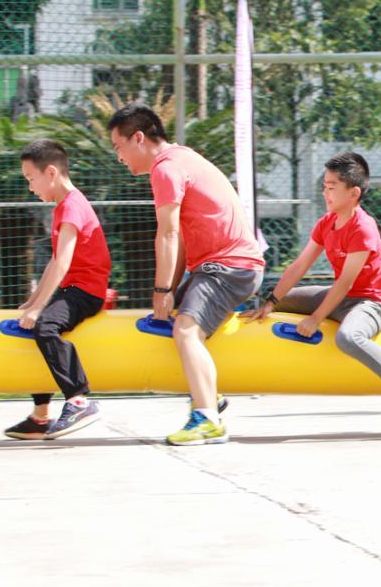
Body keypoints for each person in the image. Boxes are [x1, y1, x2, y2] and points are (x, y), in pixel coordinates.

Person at [108, 105, 264, 446]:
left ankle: (207, 419)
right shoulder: (181, 158)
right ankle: (210, 396)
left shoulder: (166, 169)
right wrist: (170, 290)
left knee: (186, 329)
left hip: (229, 267)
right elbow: (178, 238)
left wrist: (162, 290)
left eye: (119, 147)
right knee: (175, 320)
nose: (118, 157)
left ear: (138, 138)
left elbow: (167, 233)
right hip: (222, 265)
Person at [244, 153, 381, 434]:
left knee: (348, 337)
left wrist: (316, 319)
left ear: (353, 193)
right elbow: (299, 266)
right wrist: (271, 302)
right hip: (343, 296)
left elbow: (345, 283)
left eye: (331, 187)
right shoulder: (326, 223)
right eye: (324, 186)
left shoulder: (363, 227)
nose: (325, 193)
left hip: (372, 301)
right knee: (286, 301)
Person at [3, 140, 111, 440]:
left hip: (86, 291)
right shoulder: (63, 206)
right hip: (72, 288)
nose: (30, 188)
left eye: (30, 179)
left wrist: (40, 309)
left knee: (46, 326)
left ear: (50, 173)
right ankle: (40, 416)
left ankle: (79, 400)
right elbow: (55, 260)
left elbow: (63, 262)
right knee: (34, 326)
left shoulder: (72, 206)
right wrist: (33, 301)